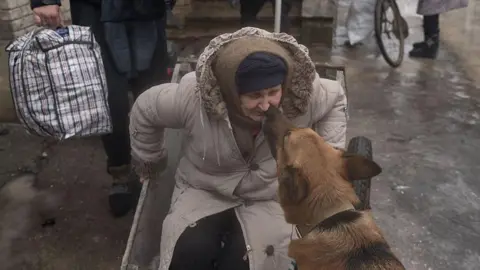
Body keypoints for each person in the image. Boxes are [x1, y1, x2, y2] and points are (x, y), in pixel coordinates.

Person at [129, 27, 347, 270]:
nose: (266, 105)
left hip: (272, 195)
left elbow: (335, 98)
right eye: (254, 96)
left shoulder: (301, 96)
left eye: (273, 92)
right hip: (203, 189)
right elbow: (146, 108)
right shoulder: (194, 98)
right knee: (188, 256)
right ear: (231, 92)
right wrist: (150, 161)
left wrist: (327, 159)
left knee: (244, 262)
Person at [30, 0, 170, 217]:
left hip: (148, 11)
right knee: (110, 101)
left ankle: (152, 169)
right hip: (96, 12)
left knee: (154, 96)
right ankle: (120, 172)